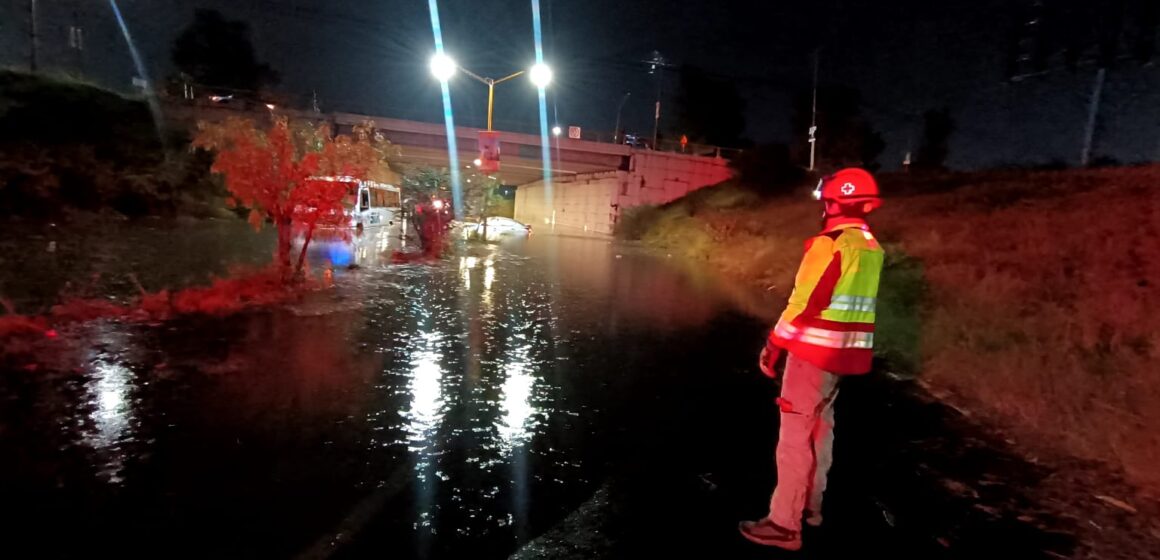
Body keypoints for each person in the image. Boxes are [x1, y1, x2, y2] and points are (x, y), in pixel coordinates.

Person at [739, 168, 885, 551]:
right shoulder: (871, 247)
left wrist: (773, 346)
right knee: (822, 431)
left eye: (827, 201)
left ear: (833, 203)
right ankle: (810, 508)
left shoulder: (830, 244)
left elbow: (804, 304)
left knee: (794, 439)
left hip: (812, 354)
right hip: (845, 356)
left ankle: (784, 524)